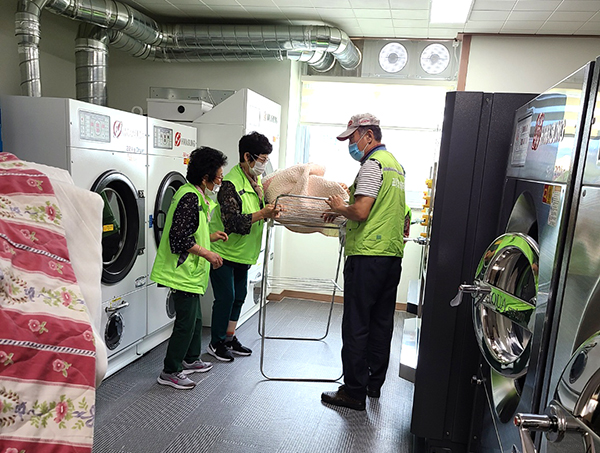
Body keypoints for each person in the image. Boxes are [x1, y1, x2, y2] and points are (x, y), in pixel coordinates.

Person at [321, 113, 406, 411]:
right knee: (381, 322)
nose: (351, 144)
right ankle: (373, 385)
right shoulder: (396, 166)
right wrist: (343, 211)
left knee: (357, 324)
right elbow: (400, 215)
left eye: (353, 138)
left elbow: (361, 212)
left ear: (368, 135)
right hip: (391, 256)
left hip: (367, 255)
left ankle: (353, 392)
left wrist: (340, 206)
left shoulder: (372, 165)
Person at [151, 146, 228, 389]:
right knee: (186, 321)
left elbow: (192, 232)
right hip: (181, 271)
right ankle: (170, 371)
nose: (220, 180)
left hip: (191, 273)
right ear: (205, 177)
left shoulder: (196, 195)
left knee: (194, 318)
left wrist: (209, 238)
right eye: (218, 176)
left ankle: (191, 359)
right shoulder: (189, 197)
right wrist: (207, 253)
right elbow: (179, 239)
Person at [208, 132, 280, 362]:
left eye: (266, 160)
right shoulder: (230, 183)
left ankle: (230, 337)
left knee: (239, 296)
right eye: (261, 159)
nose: (263, 165)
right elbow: (233, 222)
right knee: (226, 297)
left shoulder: (255, 180)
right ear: (247, 156)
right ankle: (216, 342)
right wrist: (263, 213)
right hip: (225, 251)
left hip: (244, 253)